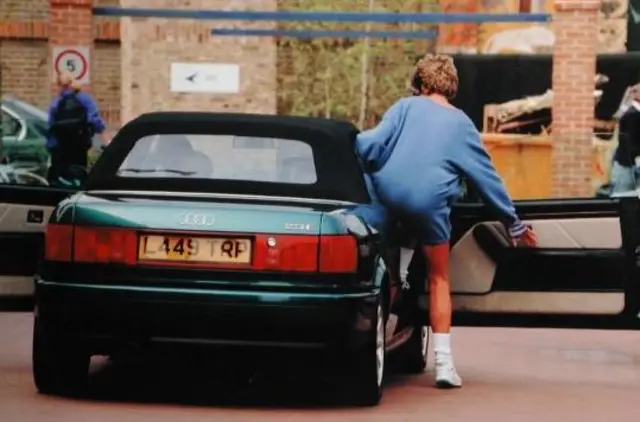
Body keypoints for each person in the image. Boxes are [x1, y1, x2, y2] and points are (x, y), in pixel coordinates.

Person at [354, 54, 537, 389]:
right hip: (429, 203)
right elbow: (486, 179)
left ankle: (400, 275)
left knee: (392, 238)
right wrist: (513, 223)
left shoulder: (404, 107)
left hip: (388, 195)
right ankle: (443, 365)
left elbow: (368, 145)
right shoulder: (461, 124)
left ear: (421, 84)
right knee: (439, 278)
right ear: (450, 86)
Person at [47, 71, 108, 185]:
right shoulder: (84, 99)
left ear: (59, 85)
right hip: (79, 147)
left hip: (60, 148)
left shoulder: (56, 102)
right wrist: (104, 135)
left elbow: (51, 126)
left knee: (60, 179)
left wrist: (51, 147)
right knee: (79, 176)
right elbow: (94, 120)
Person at [610, 84, 640, 194]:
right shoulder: (631, 114)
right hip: (627, 166)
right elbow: (627, 141)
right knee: (622, 199)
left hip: (629, 164)